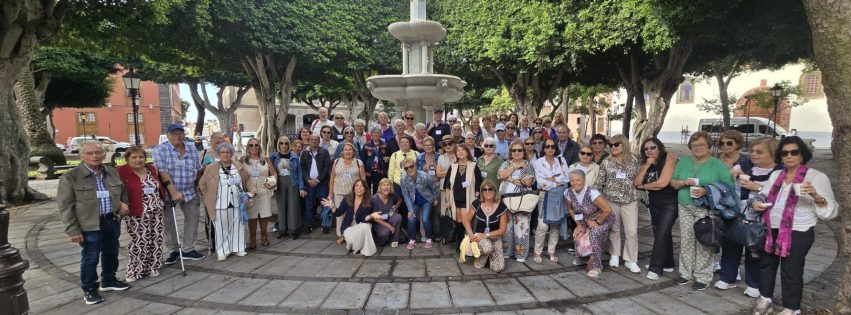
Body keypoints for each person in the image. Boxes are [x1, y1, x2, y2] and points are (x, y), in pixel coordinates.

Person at [750, 136, 838, 315]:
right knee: (767, 264)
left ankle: (792, 308)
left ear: (802, 154)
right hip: (771, 227)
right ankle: (765, 297)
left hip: (798, 230)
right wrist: (756, 203)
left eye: (794, 152)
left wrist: (815, 195)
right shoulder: (777, 174)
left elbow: (831, 210)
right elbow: (764, 194)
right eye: (784, 153)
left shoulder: (816, 177)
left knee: (791, 269)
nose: (789, 156)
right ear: (780, 156)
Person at [59, 141, 130, 305]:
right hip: (89, 224)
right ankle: (89, 289)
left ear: (104, 155)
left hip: (111, 220)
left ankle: (109, 280)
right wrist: (72, 230)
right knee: (90, 257)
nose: (95, 156)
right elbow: (65, 206)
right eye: (90, 153)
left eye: (98, 153)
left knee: (111, 252)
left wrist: (122, 206)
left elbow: (123, 192)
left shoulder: (112, 172)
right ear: (81, 156)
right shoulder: (70, 177)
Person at [717, 137, 781, 296]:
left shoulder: (779, 171)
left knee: (755, 247)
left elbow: (780, 193)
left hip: (762, 215)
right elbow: (726, 176)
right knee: (731, 243)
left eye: (759, 152)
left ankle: (753, 283)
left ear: (772, 153)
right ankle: (727, 277)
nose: (754, 155)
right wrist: (731, 176)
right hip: (739, 211)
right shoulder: (745, 165)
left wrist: (757, 187)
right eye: (752, 151)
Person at [670, 132, 734, 290]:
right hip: (684, 206)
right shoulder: (683, 162)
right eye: (695, 145)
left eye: (702, 145)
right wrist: (684, 182)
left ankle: (703, 276)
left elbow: (729, 187)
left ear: (709, 147)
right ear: (690, 146)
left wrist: (707, 190)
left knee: (704, 242)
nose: (698, 147)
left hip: (706, 209)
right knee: (686, 240)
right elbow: (673, 183)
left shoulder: (717, 164)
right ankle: (685, 273)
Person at [153, 124, 206, 264]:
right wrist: (173, 192)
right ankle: (174, 250)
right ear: (168, 135)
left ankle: (188, 249)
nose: (177, 135)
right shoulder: (160, 149)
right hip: (169, 191)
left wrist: (199, 184)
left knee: (193, 220)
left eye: (180, 133)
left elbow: (198, 168)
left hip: (190, 190)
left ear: (183, 134)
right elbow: (162, 172)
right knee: (169, 222)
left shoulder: (191, 147)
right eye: (174, 133)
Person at [198, 143, 257, 261]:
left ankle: (238, 248)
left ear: (231, 153)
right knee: (221, 228)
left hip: (237, 202)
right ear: (219, 154)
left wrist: (252, 190)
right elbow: (202, 184)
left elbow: (246, 181)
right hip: (219, 203)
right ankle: (223, 251)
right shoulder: (211, 168)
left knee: (238, 226)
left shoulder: (238, 166)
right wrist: (207, 198)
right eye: (222, 152)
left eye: (227, 152)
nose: (225, 154)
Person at [117, 146, 166, 283]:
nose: (138, 160)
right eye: (134, 157)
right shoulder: (121, 171)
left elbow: (158, 186)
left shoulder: (151, 169)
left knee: (157, 239)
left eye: (141, 157)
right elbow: (116, 190)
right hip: (137, 211)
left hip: (156, 209)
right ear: (127, 159)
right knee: (140, 242)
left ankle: (153, 267)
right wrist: (120, 204)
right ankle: (135, 270)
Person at [594, 134, 640, 273]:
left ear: (624, 144)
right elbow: (598, 183)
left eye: (616, 144)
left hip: (629, 201)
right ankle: (615, 254)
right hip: (611, 201)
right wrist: (599, 202)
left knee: (631, 231)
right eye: (611, 145)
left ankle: (630, 259)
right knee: (614, 229)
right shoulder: (606, 162)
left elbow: (638, 179)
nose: (612, 147)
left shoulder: (633, 160)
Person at [634, 138, 679, 280]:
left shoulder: (669, 159)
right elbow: (636, 182)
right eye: (646, 149)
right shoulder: (647, 162)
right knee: (661, 233)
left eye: (653, 147)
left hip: (670, 203)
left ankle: (655, 267)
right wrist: (646, 165)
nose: (649, 151)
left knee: (661, 233)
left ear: (659, 148)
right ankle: (668, 263)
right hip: (654, 202)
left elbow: (663, 182)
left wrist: (644, 186)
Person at [565, 169, 614, 278]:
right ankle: (582, 259)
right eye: (572, 180)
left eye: (578, 180)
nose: (575, 183)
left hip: (604, 218)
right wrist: (578, 224)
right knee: (578, 233)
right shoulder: (568, 193)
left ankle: (597, 266)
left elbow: (607, 210)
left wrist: (597, 222)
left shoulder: (592, 192)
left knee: (594, 234)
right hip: (585, 219)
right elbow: (572, 210)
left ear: (584, 180)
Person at [532, 138, 571, 264]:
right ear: (543, 148)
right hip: (545, 195)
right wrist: (556, 181)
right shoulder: (538, 162)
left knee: (555, 224)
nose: (550, 149)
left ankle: (551, 250)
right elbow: (540, 183)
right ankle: (537, 252)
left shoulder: (561, 160)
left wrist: (550, 179)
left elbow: (566, 179)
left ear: (556, 148)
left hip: (558, 196)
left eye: (552, 146)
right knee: (542, 225)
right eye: (547, 146)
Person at [498, 141, 536, 262]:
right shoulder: (506, 163)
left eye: (519, 150)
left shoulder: (527, 164)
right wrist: (514, 168)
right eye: (514, 150)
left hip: (522, 200)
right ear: (511, 152)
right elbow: (501, 175)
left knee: (521, 227)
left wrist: (511, 179)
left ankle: (520, 255)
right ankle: (506, 252)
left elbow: (528, 182)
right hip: (506, 201)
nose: (517, 152)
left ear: (523, 152)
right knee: (507, 227)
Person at [462, 180, 509, 272]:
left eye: (490, 189)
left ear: (495, 191)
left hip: (494, 237)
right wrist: (470, 233)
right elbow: (466, 220)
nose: (487, 192)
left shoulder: (501, 206)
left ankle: (490, 256)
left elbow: (503, 229)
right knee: (487, 247)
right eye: (485, 189)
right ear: (481, 192)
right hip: (479, 237)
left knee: (499, 268)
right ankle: (481, 257)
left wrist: (486, 235)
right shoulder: (476, 203)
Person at [322, 180, 377, 256]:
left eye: (361, 186)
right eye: (357, 186)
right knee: (352, 242)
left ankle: (362, 248)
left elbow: (363, 220)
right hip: (349, 227)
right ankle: (348, 240)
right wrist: (332, 206)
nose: (359, 188)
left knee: (365, 226)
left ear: (365, 189)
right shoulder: (347, 199)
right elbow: (338, 213)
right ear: (354, 188)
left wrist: (371, 216)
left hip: (362, 224)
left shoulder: (369, 201)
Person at [240, 138, 276, 249]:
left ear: (259, 147)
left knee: (264, 215)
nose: (254, 147)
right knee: (252, 216)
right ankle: (252, 237)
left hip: (264, 190)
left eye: (256, 145)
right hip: (250, 192)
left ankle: (264, 236)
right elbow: (239, 174)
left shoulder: (265, 159)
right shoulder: (243, 160)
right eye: (251, 145)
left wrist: (269, 184)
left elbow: (273, 174)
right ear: (247, 148)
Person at [444, 143, 483, 244]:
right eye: (458, 150)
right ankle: (460, 241)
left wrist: (477, 196)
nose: (460, 152)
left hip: (468, 198)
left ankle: (467, 241)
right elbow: (447, 185)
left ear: (467, 152)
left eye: (463, 150)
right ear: (456, 154)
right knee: (458, 220)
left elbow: (479, 183)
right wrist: (447, 200)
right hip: (455, 198)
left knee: (466, 220)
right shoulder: (453, 166)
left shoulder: (473, 165)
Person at [329, 143, 366, 243]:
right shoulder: (337, 161)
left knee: (352, 215)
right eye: (345, 150)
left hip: (353, 194)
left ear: (354, 151)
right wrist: (330, 193)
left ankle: (351, 234)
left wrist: (364, 193)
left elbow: (363, 180)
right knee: (340, 216)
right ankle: (341, 235)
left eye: (350, 150)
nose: (348, 151)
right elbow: (332, 178)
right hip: (339, 192)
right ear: (342, 152)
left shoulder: (359, 162)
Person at [399, 159, 438, 249]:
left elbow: (433, 187)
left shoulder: (424, 175)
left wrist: (435, 199)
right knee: (411, 219)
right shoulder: (403, 179)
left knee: (425, 219)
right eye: (406, 168)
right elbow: (405, 195)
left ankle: (429, 238)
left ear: (415, 166)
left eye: (411, 166)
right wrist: (410, 209)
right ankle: (412, 239)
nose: (409, 169)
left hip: (426, 200)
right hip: (414, 202)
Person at [270, 136, 303, 240]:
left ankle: (293, 230)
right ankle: (282, 230)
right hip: (279, 182)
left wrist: (301, 187)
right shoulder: (274, 156)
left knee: (293, 206)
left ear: (289, 145)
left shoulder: (294, 156)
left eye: (286, 143)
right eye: (281, 143)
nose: (283, 145)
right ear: (278, 144)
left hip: (292, 182)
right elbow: (269, 168)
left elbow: (299, 172)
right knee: (281, 206)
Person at [300, 134, 332, 234]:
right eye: (311, 140)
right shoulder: (304, 154)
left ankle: (325, 225)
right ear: (309, 141)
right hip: (309, 184)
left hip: (322, 183)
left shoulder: (324, 152)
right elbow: (303, 169)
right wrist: (308, 180)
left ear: (319, 141)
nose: (313, 141)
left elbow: (327, 168)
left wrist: (317, 180)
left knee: (324, 204)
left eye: (316, 140)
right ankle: (309, 225)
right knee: (309, 205)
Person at [369, 178, 404, 247]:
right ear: (380, 187)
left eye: (388, 185)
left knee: (398, 217)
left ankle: (394, 240)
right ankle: (379, 241)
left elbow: (400, 200)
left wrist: (394, 208)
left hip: (388, 218)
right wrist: (389, 226)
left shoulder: (392, 195)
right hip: (378, 223)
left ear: (391, 187)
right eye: (383, 185)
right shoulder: (374, 199)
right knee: (385, 232)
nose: (386, 187)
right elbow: (374, 218)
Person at [362, 125, 388, 194]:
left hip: (379, 172)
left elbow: (388, 158)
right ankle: (367, 204)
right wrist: (363, 171)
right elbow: (362, 159)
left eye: (378, 132)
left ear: (381, 134)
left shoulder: (385, 145)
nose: (376, 134)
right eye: (374, 132)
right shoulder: (366, 145)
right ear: (371, 134)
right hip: (368, 172)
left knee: (377, 191)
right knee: (366, 190)